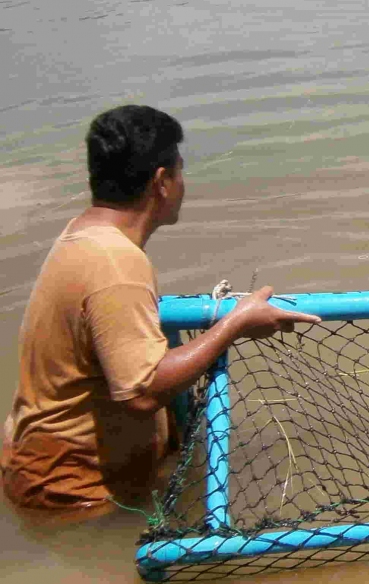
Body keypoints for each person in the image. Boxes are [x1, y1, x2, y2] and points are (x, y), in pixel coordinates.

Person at [1, 105, 320, 515]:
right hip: (71, 492)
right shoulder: (116, 264)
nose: (183, 183)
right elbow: (141, 390)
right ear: (162, 182)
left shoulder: (82, 234)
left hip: (41, 470)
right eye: (180, 171)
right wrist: (237, 322)